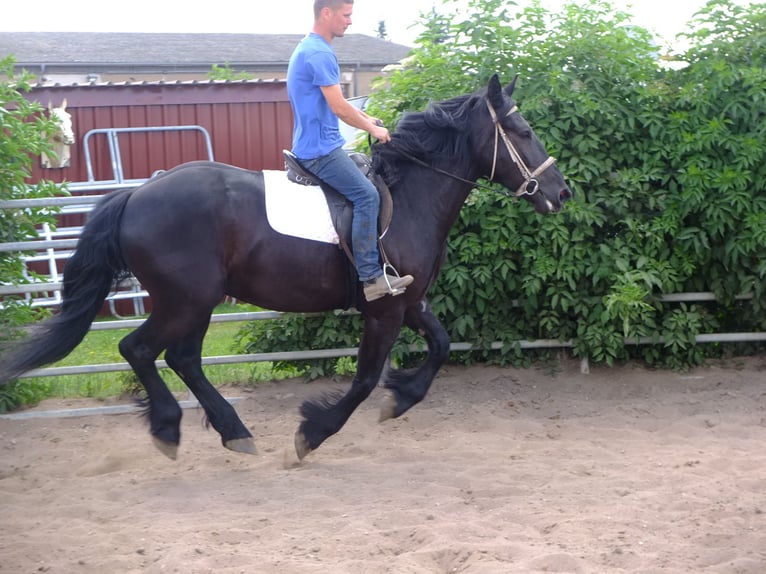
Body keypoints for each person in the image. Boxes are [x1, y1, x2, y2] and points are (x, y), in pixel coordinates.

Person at [287, 0, 414, 302]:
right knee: (367, 195)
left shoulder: (309, 47)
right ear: (326, 13)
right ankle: (371, 277)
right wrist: (373, 129)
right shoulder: (318, 53)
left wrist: (368, 118)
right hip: (320, 151)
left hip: (319, 143)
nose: (350, 21)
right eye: (346, 15)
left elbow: (331, 108)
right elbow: (339, 108)